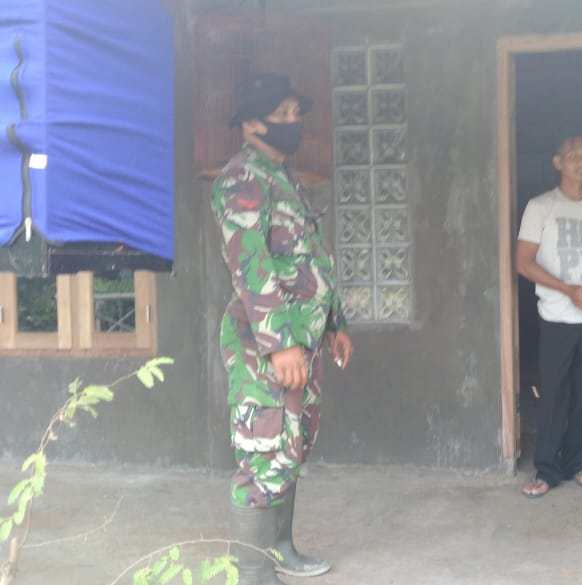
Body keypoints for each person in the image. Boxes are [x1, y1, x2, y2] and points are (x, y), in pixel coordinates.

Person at [211, 73, 355, 585]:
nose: (294, 122)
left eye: (297, 113)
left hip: (303, 340)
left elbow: (309, 259)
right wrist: (279, 345)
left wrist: (334, 323)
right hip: (267, 346)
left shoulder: (284, 178)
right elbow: (250, 268)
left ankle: (281, 550)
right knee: (264, 452)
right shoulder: (242, 179)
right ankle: (251, 574)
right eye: (283, 114)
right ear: (251, 124)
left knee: (291, 446)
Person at [516, 135, 582, 499]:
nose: (581, 160)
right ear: (558, 162)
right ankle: (547, 469)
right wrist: (567, 290)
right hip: (556, 316)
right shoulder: (540, 207)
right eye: (573, 155)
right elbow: (523, 262)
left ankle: (575, 463)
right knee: (553, 396)